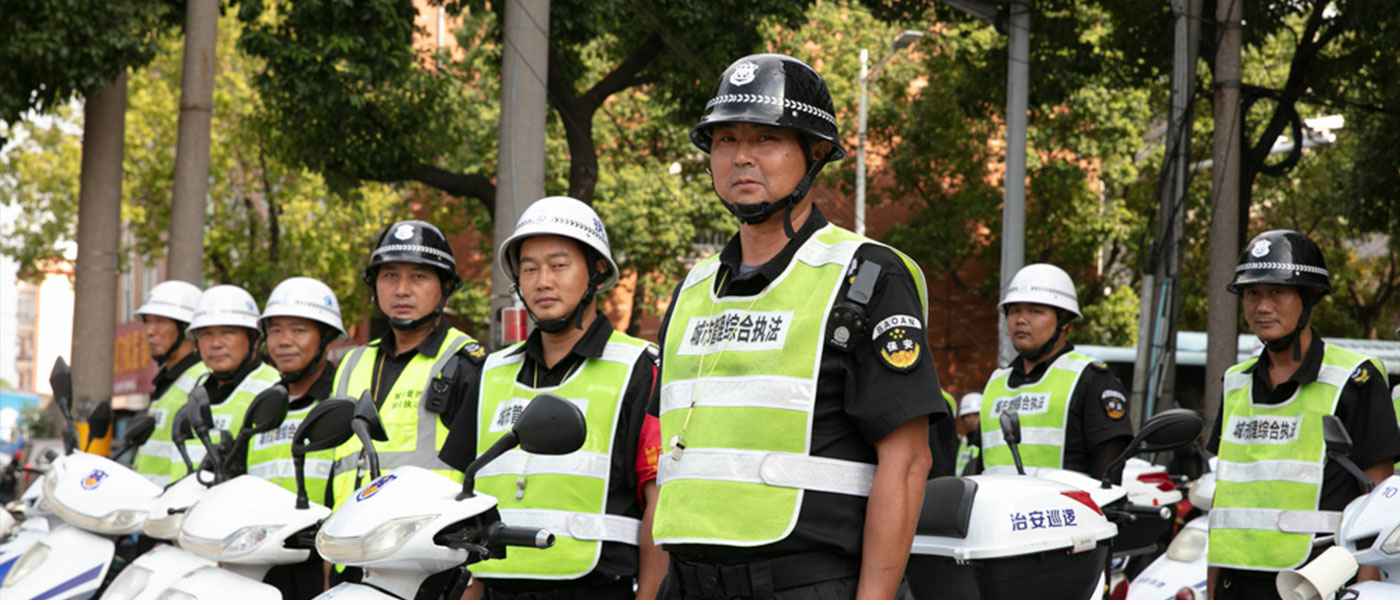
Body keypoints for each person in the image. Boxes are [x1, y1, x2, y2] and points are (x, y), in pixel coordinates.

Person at [649, 53, 944, 599]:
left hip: (804, 583)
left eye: (766, 139)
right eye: (725, 140)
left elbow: (906, 462)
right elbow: (672, 462)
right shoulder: (693, 289)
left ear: (816, 152)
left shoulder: (866, 276)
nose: (742, 157)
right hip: (686, 584)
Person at [440, 196, 666, 599]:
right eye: (529, 268)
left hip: (596, 590)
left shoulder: (640, 369)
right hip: (498, 591)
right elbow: (466, 500)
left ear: (596, 271)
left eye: (559, 265)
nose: (543, 281)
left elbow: (660, 504)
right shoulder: (491, 372)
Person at [1206, 230, 1400, 599]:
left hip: (1316, 582)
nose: (1262, 306)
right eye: (1252, 293)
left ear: (1308, 298)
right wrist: (1212, 585)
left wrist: (1368, 589)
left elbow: (1379, 498)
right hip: (1236, 580)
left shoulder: (1354, 379)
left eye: (1277, 292)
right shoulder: (1236, 382)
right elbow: (1225, 495)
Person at [327, 220, 485, 598]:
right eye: (390, 276)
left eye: (418, 277)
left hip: (431, 566)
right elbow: (338, 468)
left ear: (444, 288)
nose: (401, 289)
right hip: (352, 558)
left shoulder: (466, 364)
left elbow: (486, 480)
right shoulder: (350, 365)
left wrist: (476, 581)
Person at [978, 263, 1133, 481]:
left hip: (1067, 504)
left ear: (1065, 323)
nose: (1021, 319)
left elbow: (1108, 477)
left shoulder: (1091, 380)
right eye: (1014, 310)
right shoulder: (995, 383)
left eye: (1035, 311)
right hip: (996, 504)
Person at [251, 277, 344, 599]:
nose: (284, 341)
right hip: (259, 562)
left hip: (321, 567)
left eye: (299, 330)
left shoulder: (342, 400)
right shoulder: (262, 405)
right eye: (276, 330)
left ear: (325, 337)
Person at [185, 285, 281, 463]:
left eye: (227, 332)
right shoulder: (196, 390)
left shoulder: (273, 387)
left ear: (253, 339)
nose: (215, 344)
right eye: (206, 334)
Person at [132, 280, 207, 484]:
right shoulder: (170, 381)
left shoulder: (202, 380)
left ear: (187, 328)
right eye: (147, 321)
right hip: (152, 498)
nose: (150, 331)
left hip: (177, 499)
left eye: (160, 321)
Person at [955, 393, 982, 476]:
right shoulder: (961, 443)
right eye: (967, 416)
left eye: (976, 414)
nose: (971, 419)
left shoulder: (987, 442)